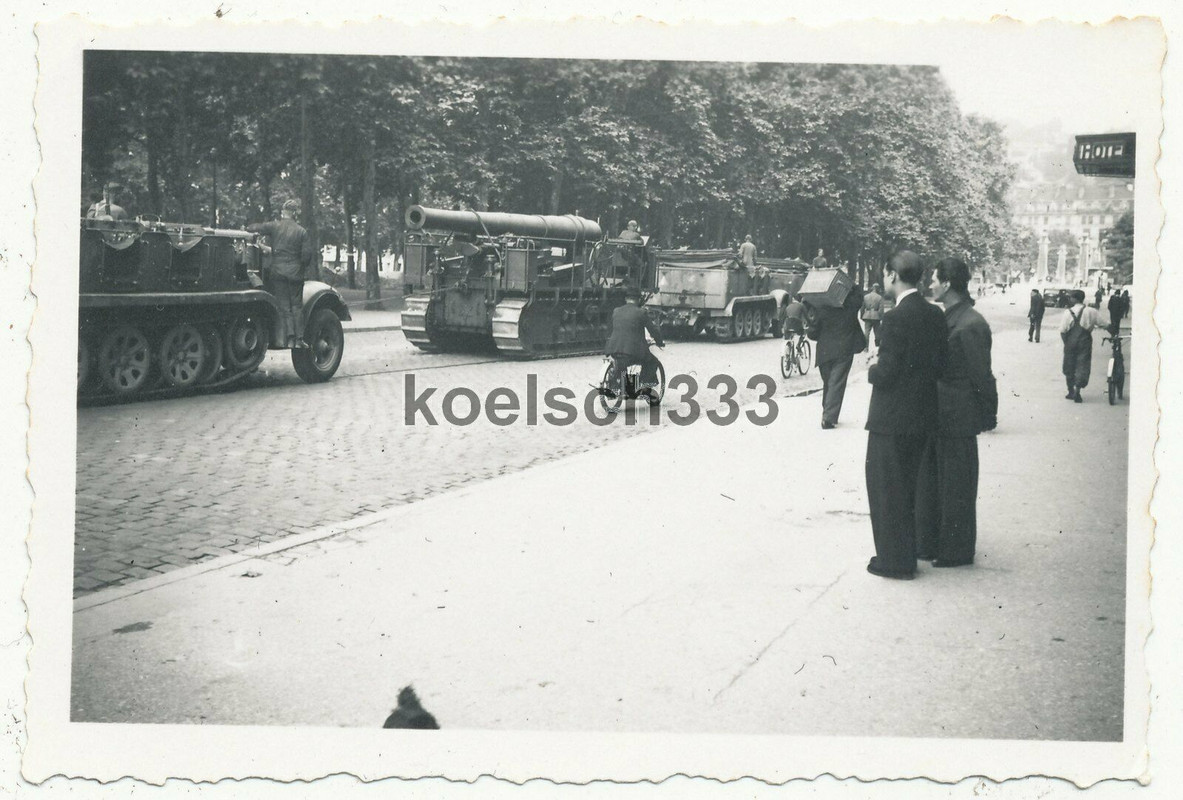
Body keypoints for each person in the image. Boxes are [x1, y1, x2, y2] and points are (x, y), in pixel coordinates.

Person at [864, 250, 947, 580]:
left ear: (893, 276)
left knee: (886, 490)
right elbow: (940, 364)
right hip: (923, 414)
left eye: (886, 275)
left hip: (891, 418)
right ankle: (907, 552)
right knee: (910, 488)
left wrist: (872, 367)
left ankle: (894, 561)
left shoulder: (895, 318)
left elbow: (887, 372)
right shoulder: (935, 315)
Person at [916, 258, 995, 568]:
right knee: (938, 483)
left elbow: (981, 376)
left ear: (948, 283)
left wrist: (987, 414)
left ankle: (957, 550)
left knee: (957, 486)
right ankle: (935, 543)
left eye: (935, 279)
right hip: (940, 414)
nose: (931, 284)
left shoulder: (972, 323)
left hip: (958, 416)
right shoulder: (955, 318)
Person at [247, 199, 316, 349]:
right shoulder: (302, 231)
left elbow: (256, 227)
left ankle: (289, 339)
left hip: (277, 273)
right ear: (295, 213)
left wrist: (247, 228)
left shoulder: (275, 226)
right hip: (295, 274)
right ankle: (299, 340)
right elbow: (306, 257)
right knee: (297, 306)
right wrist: (298, 266)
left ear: (282, 213)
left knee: (284, 307)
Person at [806, 281, 865, 429]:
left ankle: (828, 412)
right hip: (844, 350)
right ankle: (828, 417)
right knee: (836, 383)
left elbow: (813, 334)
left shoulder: (823, 308)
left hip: (824, 353)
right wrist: (851, 285)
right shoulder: (850, 307)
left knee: (829, 382)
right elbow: (859, 298)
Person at [604, 290, 664, 394]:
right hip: (633, 353)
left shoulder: (616, 311)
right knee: (652, 361)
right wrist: (660, 342)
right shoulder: (641, 312)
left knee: (621, 364)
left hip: (614, 350)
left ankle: (618, 386)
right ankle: (642, 385)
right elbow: (652, 330)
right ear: (638, 300)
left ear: (626, 299)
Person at [1059, 288, 1106, 403]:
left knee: (1069, 366)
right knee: (1082, 365)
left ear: (1075, 299)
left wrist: (1067, 343)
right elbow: (1104, 324)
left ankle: (1070, 391)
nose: (1069, 299)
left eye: (1070, 297)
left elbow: (1063, 330)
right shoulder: (1091, 311)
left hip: (1070, 342)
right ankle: (1077, 390)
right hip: (1085, 342)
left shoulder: (1068, 312)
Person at [860, 283, 884, 352]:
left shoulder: (866, 297)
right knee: (877, 333)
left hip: (867, 315)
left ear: (872, 288)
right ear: (877, 289)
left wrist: (862, 316)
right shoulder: (879, 297)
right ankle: (877, 347)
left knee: (866, 332)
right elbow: (881, 309)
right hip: (876, 316)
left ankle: (865, 348)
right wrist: (881, 317)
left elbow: (862, 308)